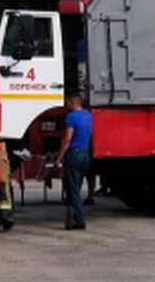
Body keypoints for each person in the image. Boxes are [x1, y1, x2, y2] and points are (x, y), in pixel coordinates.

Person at [56, 94, 93, 230]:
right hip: (85, 154)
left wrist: (59, 156)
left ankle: (80, 220)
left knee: (73, 190)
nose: (66, 106)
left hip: (74, 155)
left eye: (67, 103)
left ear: (72, 102)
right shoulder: (88, 116)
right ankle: (70, 218)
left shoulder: (71, 117)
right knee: (76, 187)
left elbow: (67, 139)